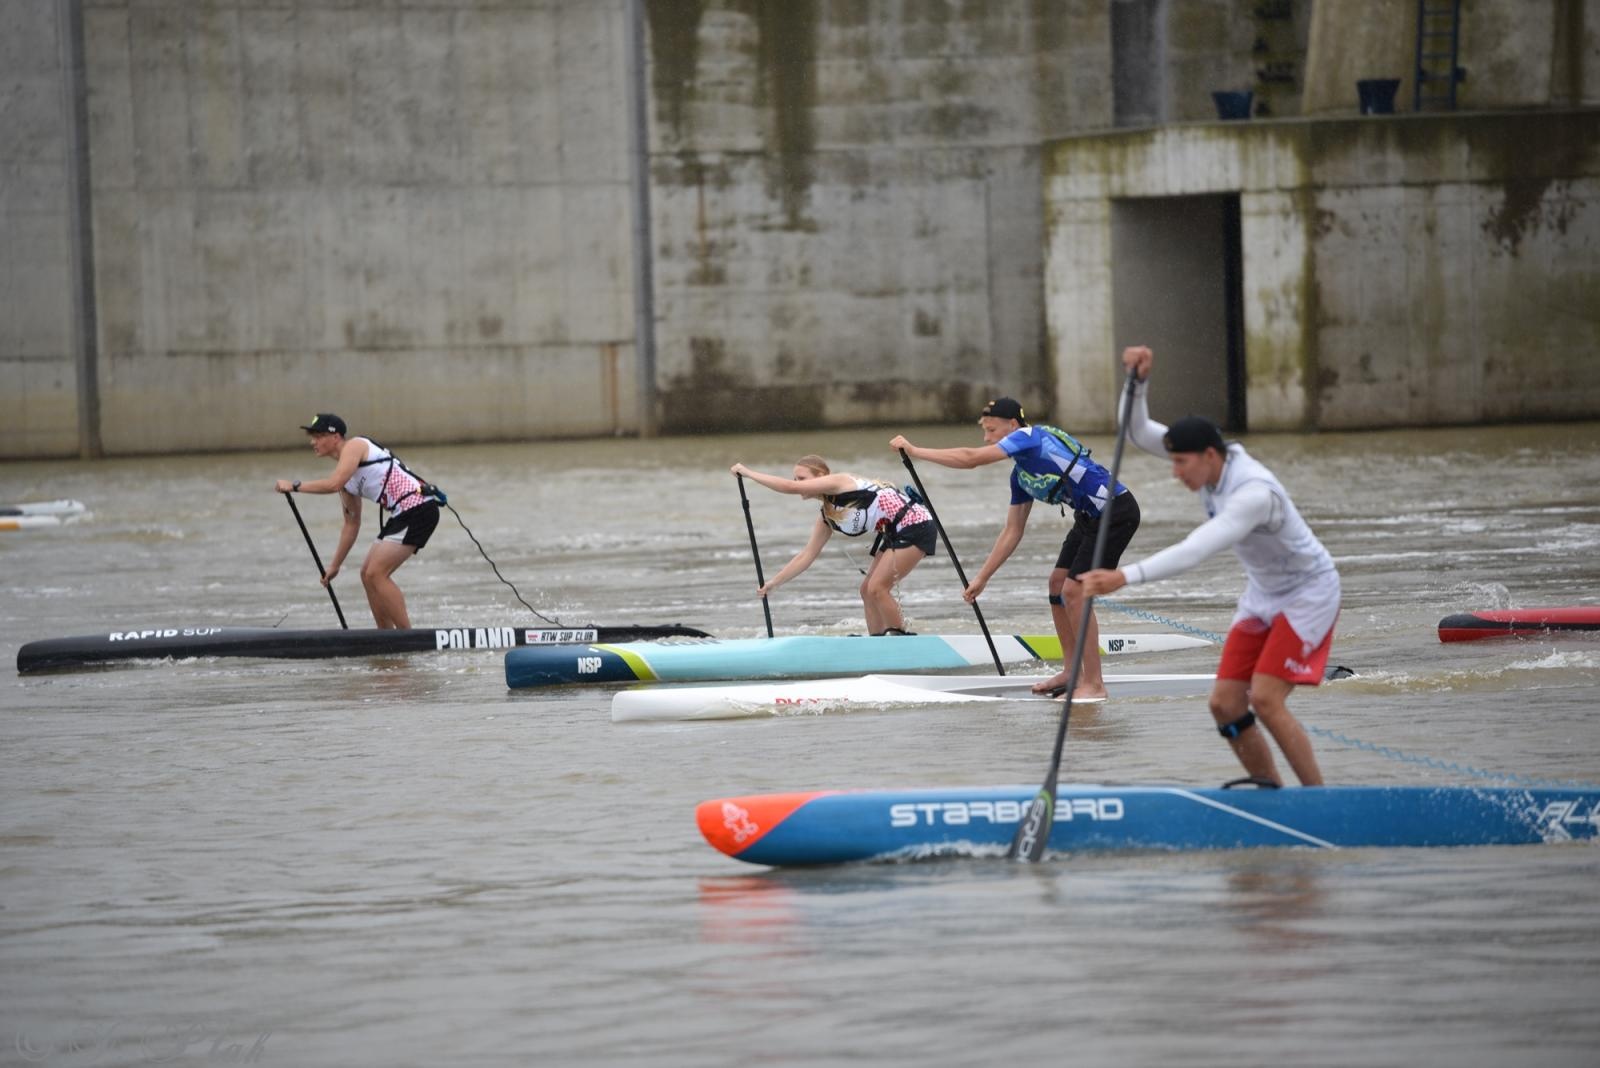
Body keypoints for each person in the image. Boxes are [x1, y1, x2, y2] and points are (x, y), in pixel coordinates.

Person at [1078, 345, 1339, 787]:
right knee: (1224, 703)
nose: (1176, 472)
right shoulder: (1206, 456)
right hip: (1263, 594)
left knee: (1267, 700)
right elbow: (1137, 432)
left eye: (1181, 463)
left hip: (1309, 594)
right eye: (1174, 460)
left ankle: (1319, 800)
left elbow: (1197, 549)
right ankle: (1269, 789)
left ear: (1210, 457)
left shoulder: (1253, 492)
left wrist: (1125, 576)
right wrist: (1137, 383)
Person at [890, 397, 1140, 700]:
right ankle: (1072, 672)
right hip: (1089, 518)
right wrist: (982, 578)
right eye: (984, 431)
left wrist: (916, 451)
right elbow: (1012, 531)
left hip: (1116, 512)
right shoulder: (1020, 476)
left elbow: (971, 458)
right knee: (1057, 585)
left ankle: (1095, 684)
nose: (987, 437)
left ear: (1012, 424)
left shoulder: (1029, 436)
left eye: (991, 430)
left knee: (1074, 592)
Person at [730, 456, 937, 636]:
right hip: (894, 531)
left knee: (877, 588)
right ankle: (878, 641)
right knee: (866, 590)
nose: (797, 483)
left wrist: (748, 473)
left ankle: (900, 640)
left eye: (802, 478)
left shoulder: (840, 482)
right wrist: (773, 584)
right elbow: (807, 555)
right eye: (795, 478)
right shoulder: (827, 517)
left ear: (821, 476)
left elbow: (790, 488)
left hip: (916, 523)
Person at [273, 413, 441, 629]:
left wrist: (295, 486)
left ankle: (407, 637)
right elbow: (351, 524)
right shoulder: (347, 482)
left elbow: (332, 484)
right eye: (312, 437)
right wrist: (335, 566)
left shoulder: (355, 445)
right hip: (401, 513)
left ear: (335, 437)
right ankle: (385, 636)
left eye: (318, 436)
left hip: (419, 508)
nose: (312, 442)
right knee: (366, 575)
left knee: (376, 573)